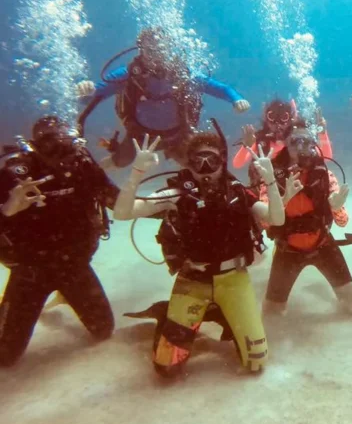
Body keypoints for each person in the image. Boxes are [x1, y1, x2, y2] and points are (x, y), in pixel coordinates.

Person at [113, 124, 284, 378]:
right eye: (198, 161)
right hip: (192, 281)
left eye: (211, 160)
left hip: (234, 280)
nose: (205, 168)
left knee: (256, 363)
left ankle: (218, 311)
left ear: (221, 161)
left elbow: (276, 219)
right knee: (167, 369)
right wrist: (136, 172)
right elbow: (122, 213)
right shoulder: (177, 194)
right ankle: (169, 314)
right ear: (188, 163)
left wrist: (270, 180)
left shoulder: (237, 192)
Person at [0, 116, 118, 367]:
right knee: (5, 356)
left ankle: (67, 295)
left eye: (64, 142)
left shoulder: (83, 165)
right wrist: (8, 209)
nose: (58, 151)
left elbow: (116, 200)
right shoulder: (16, 173)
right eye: (49, 143)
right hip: (29, 274)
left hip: (74, 267)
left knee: (103, 330)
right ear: (34, 145)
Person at [77, 27, 251, 170]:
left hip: (178, 135)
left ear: (169, 50)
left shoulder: (184, 74)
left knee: (198, 166)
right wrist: (87, 90)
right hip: (139, 135)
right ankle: (97, 175)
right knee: (121, 162)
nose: (156, 56)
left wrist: (236, 99)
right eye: (150, 51)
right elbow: (93, 95)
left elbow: (220, 88)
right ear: (141, 51)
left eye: (161, 50)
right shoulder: (129, 75)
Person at [259, 121, 352, 315]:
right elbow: (265, 222)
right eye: (295, 141)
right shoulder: (272, 177)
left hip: (322, 245)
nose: (301, 147)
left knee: (351, 305)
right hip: (288, 250)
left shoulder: (325, 175)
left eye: (306, 141)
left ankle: (320, 293)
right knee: (272, 313)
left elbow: (343, 222)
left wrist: (336, 208)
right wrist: (283, 200)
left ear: (314, 144)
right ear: (286, 143)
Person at [232, 98, 333, 172]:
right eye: (272, 116)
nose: (278, 124)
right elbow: (237, 164)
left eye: (284, 117)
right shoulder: (260, 140)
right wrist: (246, 146)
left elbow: (327, 157)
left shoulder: (297, 138)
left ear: (290, 120)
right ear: (266, 120)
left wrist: (322, 133)